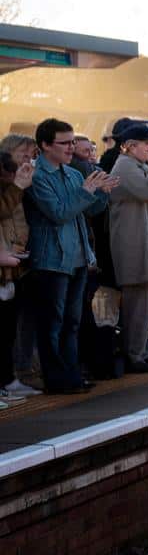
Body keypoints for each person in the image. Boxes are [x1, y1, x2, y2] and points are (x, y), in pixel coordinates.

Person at [25, 118, 117, 391]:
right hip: (52, 259)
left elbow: (87, 212)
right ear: (44, 145)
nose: (70, 148)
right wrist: (87, 191)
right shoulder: (38, 177)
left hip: (77, 258)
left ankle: (71, 374)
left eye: (72, 142)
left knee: (73, 322)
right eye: (64, 143)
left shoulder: (72, 174)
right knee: (53, 323)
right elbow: (59, 213)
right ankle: (55, 379)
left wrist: (101, 193)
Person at [109, 125, 148, 372]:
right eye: (146, 144)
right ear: (130, 146)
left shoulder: (138, 166)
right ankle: (134, 355)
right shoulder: (125, 167)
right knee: (138, 306)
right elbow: (146, 191)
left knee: (146, 306)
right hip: (136, 246)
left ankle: (142, 350)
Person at [0, 150, 34, 405]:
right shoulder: (11, 190)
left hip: (11, 264)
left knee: (8, 330)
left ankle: (7, 380)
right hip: (5, 262)